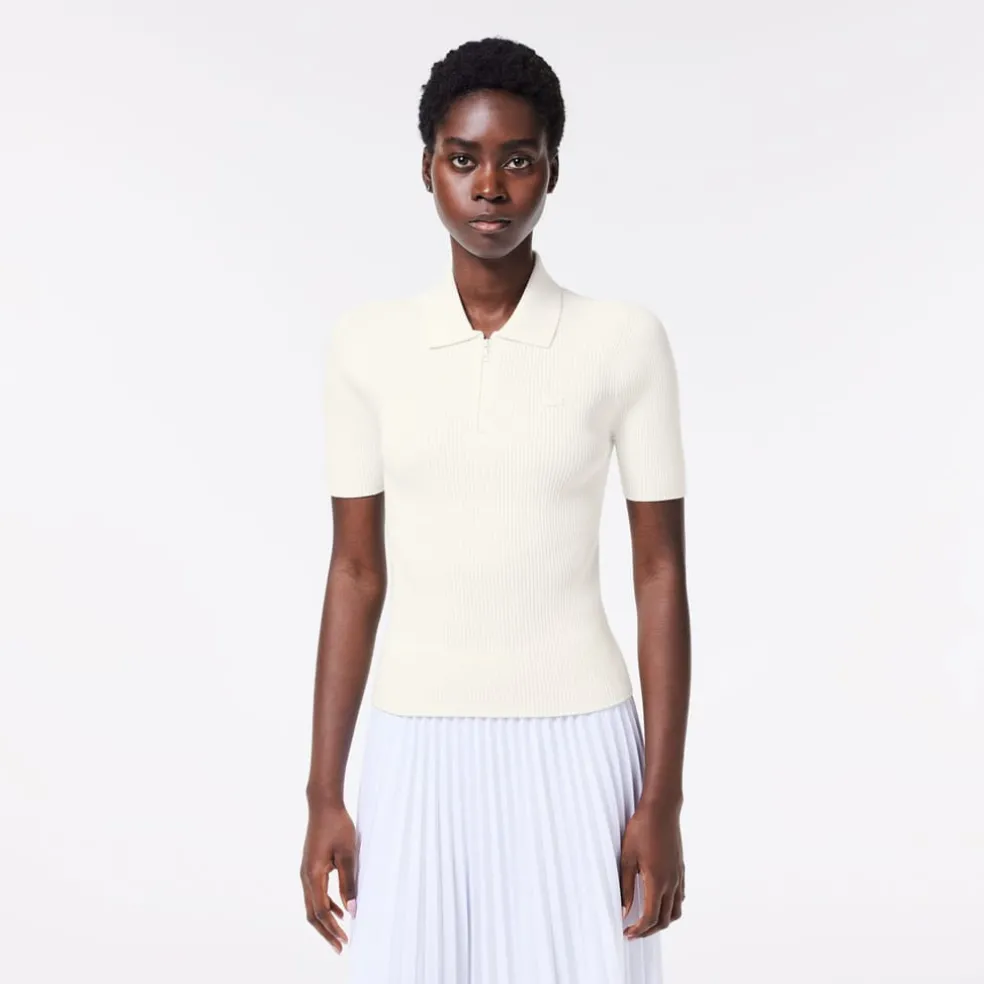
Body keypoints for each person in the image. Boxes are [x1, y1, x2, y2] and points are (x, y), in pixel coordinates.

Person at [301, 35, 691, 984]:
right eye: (463, 158)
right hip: (414, 747)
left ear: (552, 170)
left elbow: (659, 571)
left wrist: (662, 800)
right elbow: (355, 569)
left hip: (582, 745)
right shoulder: (367, 347)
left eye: (518, 159)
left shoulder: (623, 342)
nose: (489, 186)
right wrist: (323, 793)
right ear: (427, 168)